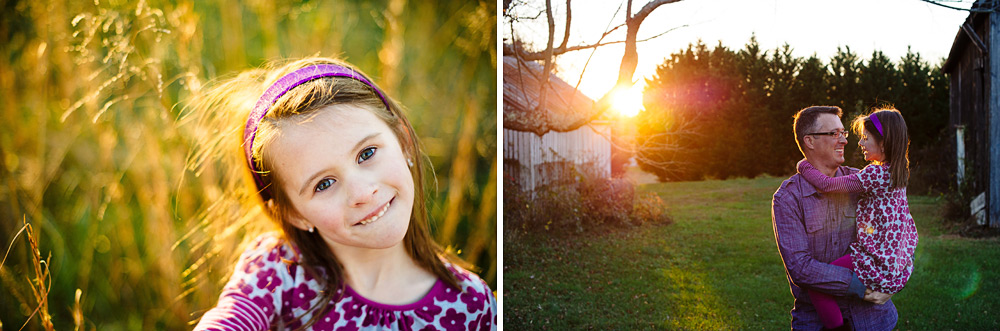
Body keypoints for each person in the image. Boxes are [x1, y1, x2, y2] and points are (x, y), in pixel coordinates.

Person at [191, 58, 496, 330]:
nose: (362, 193)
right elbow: (231, 319)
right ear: (294, 214)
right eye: (323, 184)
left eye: (367, 153)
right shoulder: (278, 270)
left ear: (402, 141)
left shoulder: (470, 306)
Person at [771, 105, 897, 330]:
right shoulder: (788, 198)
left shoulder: (862, 182)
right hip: (815, 320)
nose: (844, 141)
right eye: (834, 134)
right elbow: (800, 267)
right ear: (809, 141)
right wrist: (861, 286)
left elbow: (894, 233)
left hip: (872, 319)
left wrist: (893, 277)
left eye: (844, 133)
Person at [797, 108, 918, 330]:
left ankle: (836, 327)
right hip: (891, 258)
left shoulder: (874, 174)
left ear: (883, 143)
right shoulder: (897, 173)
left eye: (865, 138)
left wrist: (803, 166)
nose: (860, 143)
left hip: (873, 257)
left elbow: (827, 185)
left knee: (818, 286)